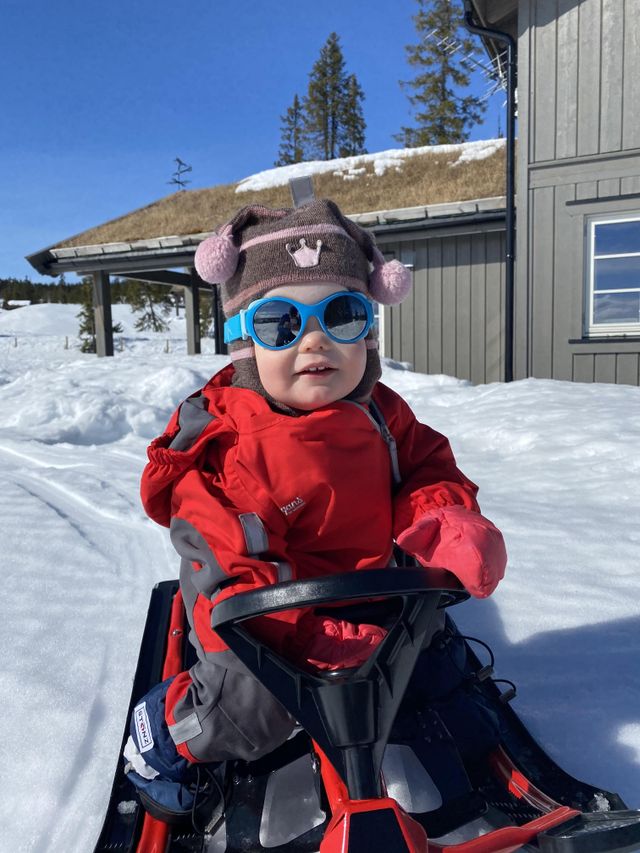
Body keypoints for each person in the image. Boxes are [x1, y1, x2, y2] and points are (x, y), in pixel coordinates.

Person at [122, 199, 507, 823]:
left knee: (428, 660)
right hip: (262, 621)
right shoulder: (232, 448)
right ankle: (165, 736)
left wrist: (446, 522)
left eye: (344, 315)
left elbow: (427, 468)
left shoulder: (381, 411)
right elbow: (234, 565)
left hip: (371, 593)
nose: (315, 340)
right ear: (247, 341)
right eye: (281, 323)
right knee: (252, 709)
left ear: (369, 331)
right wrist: (311, 641)